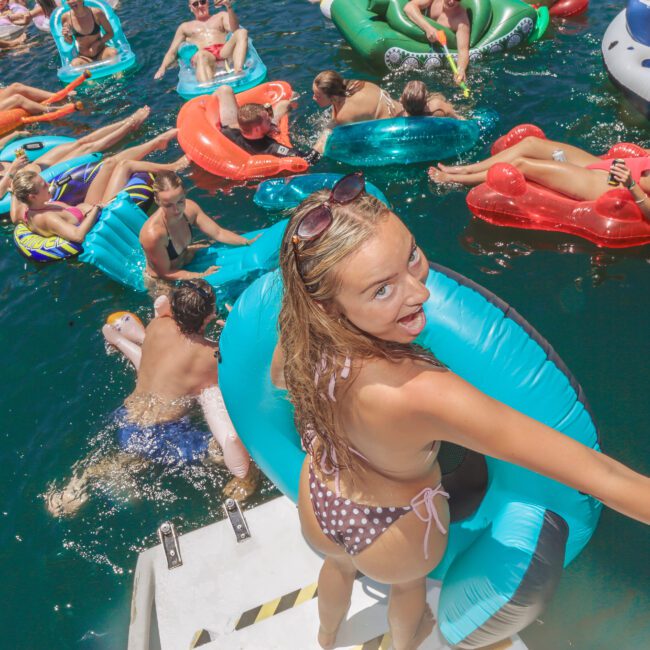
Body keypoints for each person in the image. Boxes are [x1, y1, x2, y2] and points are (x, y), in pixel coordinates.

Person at [271, 173, 650, 649]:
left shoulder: (300, 334)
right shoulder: (421, 392)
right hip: (391, 530)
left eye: (411, 255)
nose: (420, 292)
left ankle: (327, 638)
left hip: (321, 493)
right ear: (331, 305)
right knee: (407, 590)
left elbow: (278, 381)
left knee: (338, 564)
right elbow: (597, 474)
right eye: (381, 290)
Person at [45, 281, 260, 517]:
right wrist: (234, 335)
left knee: (137, 456)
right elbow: (243, 373)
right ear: (209, 316)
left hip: (126, 417)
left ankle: (89, 475)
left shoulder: (157, 325)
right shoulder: (209, 354)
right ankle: (248, 480)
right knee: (218, 449)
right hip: (162, 433)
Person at [11, 129, 186, 238]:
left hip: (87, 205)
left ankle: (157, 143)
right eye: (43, 185)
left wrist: (14, 175)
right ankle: (174, 167)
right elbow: (78, 235)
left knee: (109, 163)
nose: (48, 185)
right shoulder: (46, 217)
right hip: (99, 214)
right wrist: (95, 210)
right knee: (125, 166)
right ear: (32, 196)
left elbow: (14, 207)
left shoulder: (26, 211)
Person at [428, 135, 650, 220]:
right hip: (608, 167)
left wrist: (631, 184)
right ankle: (467, 169)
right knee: (531, 143)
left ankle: (456, 180)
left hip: (605, 186)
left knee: (522, 165)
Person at [139, 170, 261, 294]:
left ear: (185, 194)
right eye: (168, 205)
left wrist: (246, 241)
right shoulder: (154, 234)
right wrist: (201, 275)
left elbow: (218, 232)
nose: (176, 210)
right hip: (163, 281)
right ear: (157, 201)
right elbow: (165, 273)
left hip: (185, 257)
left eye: (180, 201)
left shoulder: (190, 209)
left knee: (212, 245)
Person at [0, 105, 151, 205]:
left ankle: (127, 121)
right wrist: (12, 170)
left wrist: (16, 133)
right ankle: (130, 126)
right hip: (45, 175)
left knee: (82, 142)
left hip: (36, 165)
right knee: (89, 148)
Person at [212, 85, 317, 161]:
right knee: (284, 104)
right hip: (261, 135)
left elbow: (236, 125)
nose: (269, 119)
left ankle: (269, 107)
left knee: (224, 89)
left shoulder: (227, 131)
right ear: (257, 129)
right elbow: (308, 158)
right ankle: (284, 103)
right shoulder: (270, 147)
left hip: (246, 131)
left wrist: (267, 121)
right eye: (267, 120)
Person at [154, 0, 249, 84]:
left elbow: (235, 30)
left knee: (242, 32)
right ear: (191, 8)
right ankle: (206, 87)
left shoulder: (221, 16)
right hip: (206, 55)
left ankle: (238, 71)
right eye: (195, 4)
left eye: (202, 2)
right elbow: (172, 51)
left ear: (207, 3)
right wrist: (162, 68)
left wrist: (229, 7)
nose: (200, 5)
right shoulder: (185, 27)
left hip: (223, 51)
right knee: (200, 55)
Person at [311, 70, 402, 153]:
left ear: (333, 98)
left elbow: (339, 145)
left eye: (318, 96)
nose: (313, 98)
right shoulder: (351, 85)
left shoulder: (346, 114)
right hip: (400, 109)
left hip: (395, 129)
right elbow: (334, 122)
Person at [404, 0, 470, 85]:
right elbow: (408, 7)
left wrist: (460, 70)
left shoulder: (461, 21)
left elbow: (463, 50)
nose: (452, 2)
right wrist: (428, 28)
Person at [61, 0, 117, 66]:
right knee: (75, 63)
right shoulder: (66, 17)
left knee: (113, 53)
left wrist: (98, 43)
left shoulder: (97, 13)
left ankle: (118, 75)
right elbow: (70, 42)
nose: (70, 2)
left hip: (101, 52)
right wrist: (66, 36)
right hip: (84, 58)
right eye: (68, 0)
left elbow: (110, 33)